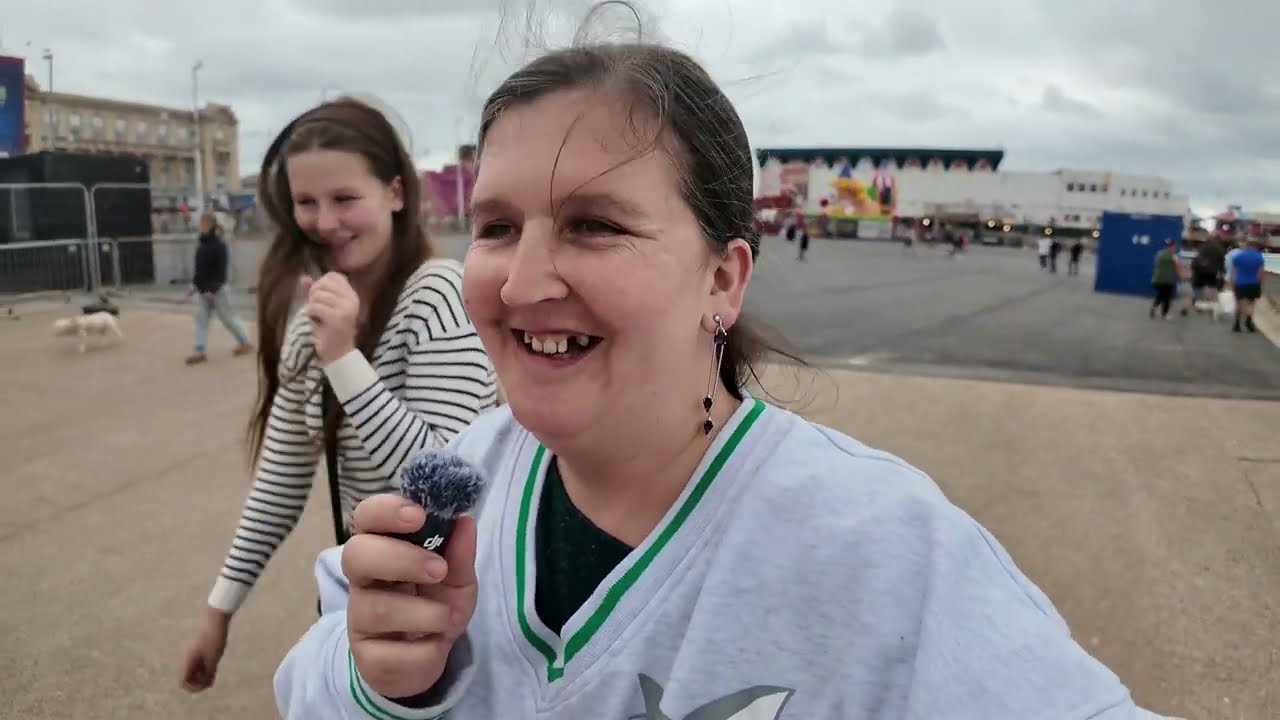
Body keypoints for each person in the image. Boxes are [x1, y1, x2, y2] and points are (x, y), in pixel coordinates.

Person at [273, 25, 1179, 720]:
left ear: (722, 277)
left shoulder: (885, 551)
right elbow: (305, 682)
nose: (520, 282)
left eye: (595, 225)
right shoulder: (457, 484)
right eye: (500, 225)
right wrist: (377, 678)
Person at [179, 97, 500, 693]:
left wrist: (344, 361)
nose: (325, 222)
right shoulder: (313, 325)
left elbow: (443, 478)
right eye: (307, 202)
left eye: (345, 199)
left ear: (396, 194)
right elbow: (280, 482)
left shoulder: (438, 296)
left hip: (461, 600)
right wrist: (219, 612)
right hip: (372, 599)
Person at [185, 211, 254, 364]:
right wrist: (194, 286)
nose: (199, 226)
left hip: (217, 291)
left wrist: (212, 288)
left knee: (228, 318)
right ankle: (199, 351)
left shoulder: (219, 245)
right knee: (201, 320)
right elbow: (199, 270)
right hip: (204, 291)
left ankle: (245, 342)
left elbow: (220, 271)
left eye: (202, 223)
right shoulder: (202, 245)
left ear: (209, 225)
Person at [1228, 237, 1266, 333]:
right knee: (1251, 303)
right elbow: (1260, 273)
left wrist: (1231, 283)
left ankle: (1237, 324)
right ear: (1255, 246)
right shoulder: (1259, 257)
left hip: (1240, 283)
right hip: (1253, 283)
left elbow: (1233, 272)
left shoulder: (1238, 256)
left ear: (1247, 245)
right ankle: (1249, 320)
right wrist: (1261, 284)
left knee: (1238, 303)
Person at [1149, 238, 1183, 320]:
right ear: (1173, 246)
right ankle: (1164, 314)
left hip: (1157, 279)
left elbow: (1156, 264)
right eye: (1174, 246)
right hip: (1168, 280)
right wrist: (1181, 277)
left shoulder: (1159, 253)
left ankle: (1154, 307)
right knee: (1167, 298)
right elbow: (1178, 267)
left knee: (1160, 295)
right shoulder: (1174, 256)